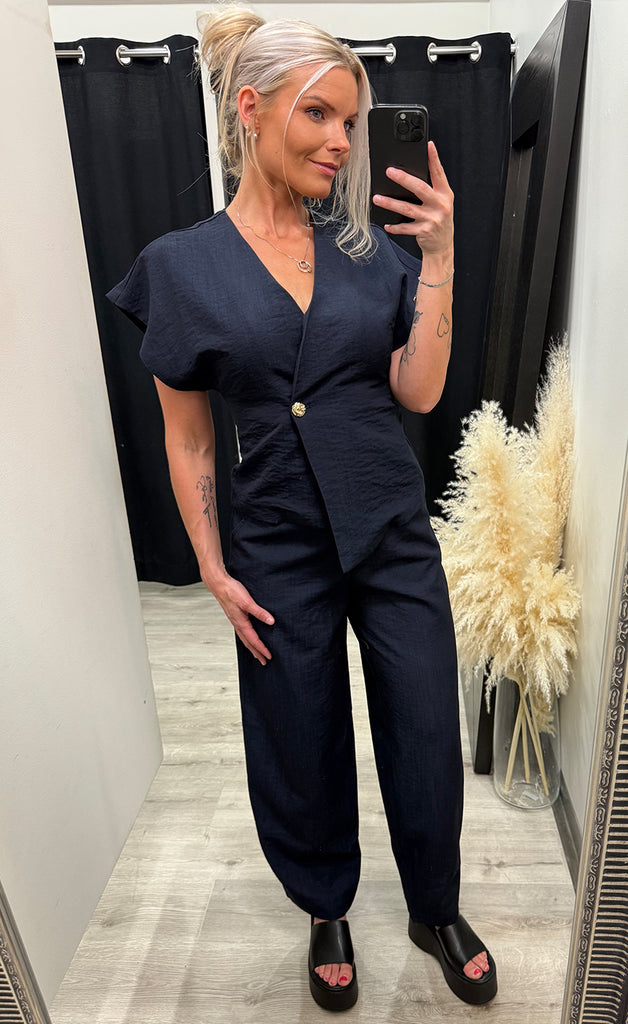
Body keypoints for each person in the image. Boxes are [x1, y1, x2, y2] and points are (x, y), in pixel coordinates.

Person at [106, 6, 497, 1010]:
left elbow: (418, 391)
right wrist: (211, 565)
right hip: (277, 538)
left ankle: (434, 905)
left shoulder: (372, 247)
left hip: (390, 530)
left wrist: (440, 260)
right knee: (298, 732)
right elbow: (189, 438)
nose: (341, 142)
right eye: (319, 115)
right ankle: (325, 904)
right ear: (250, 108)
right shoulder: (182, 266)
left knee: (423, 724)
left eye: (351, 123)